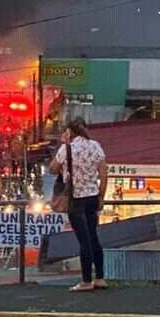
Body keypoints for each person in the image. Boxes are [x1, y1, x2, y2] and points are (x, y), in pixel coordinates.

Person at [50, 118, 108, 292]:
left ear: (70, 132)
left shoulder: (67, 148)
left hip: (75, 199)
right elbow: (103, 174)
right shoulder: (95, 146)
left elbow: (52, 169)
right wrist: (101, 197)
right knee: (94, 237)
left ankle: (86, 281)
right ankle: (100, 278)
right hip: (92, 197)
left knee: (84, 241)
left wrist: (64, 145)